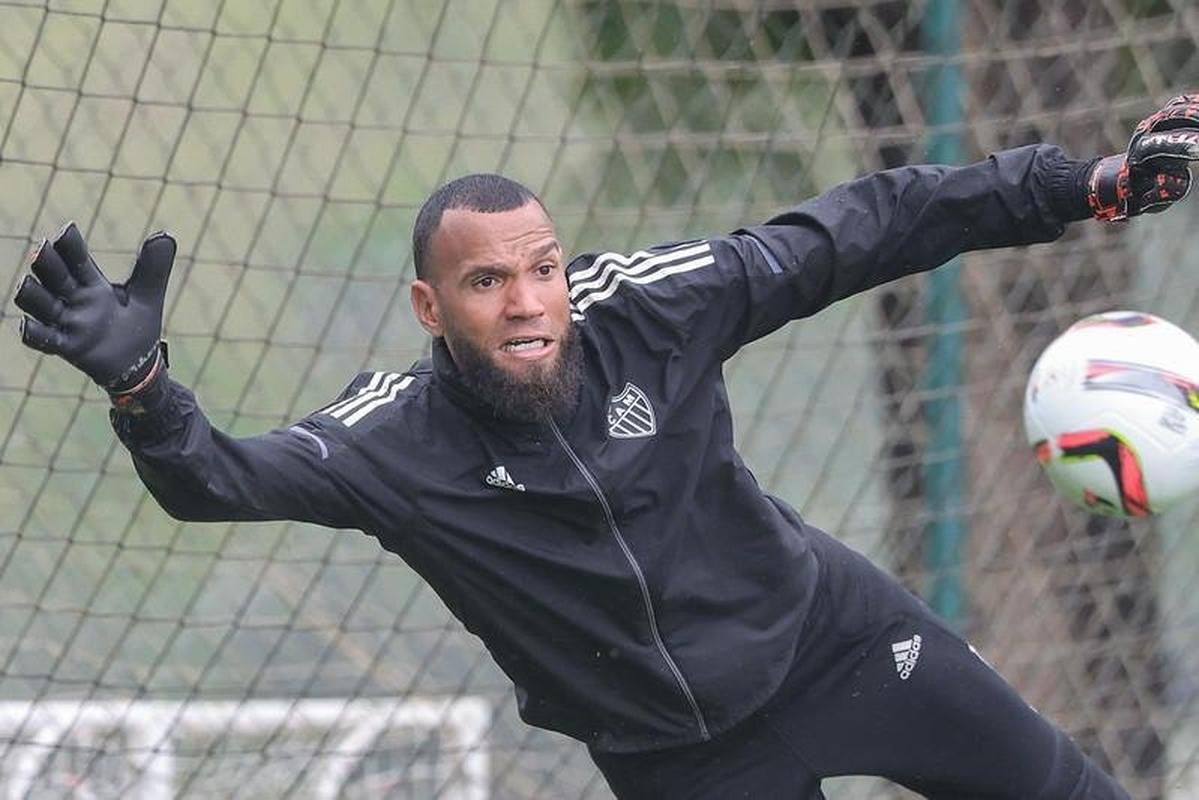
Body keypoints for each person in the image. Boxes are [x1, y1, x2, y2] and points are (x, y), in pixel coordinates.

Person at [13, 94, 1199, 799]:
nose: (527, 299)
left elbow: (862, 228)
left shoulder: (654, 304)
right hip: (675, 759)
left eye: (542, 267)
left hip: (831, 637)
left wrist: (1083, 183)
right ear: (432, 309)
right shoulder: (384, 443)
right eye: (486, 280)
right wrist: (141, 383)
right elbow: (214, 481)